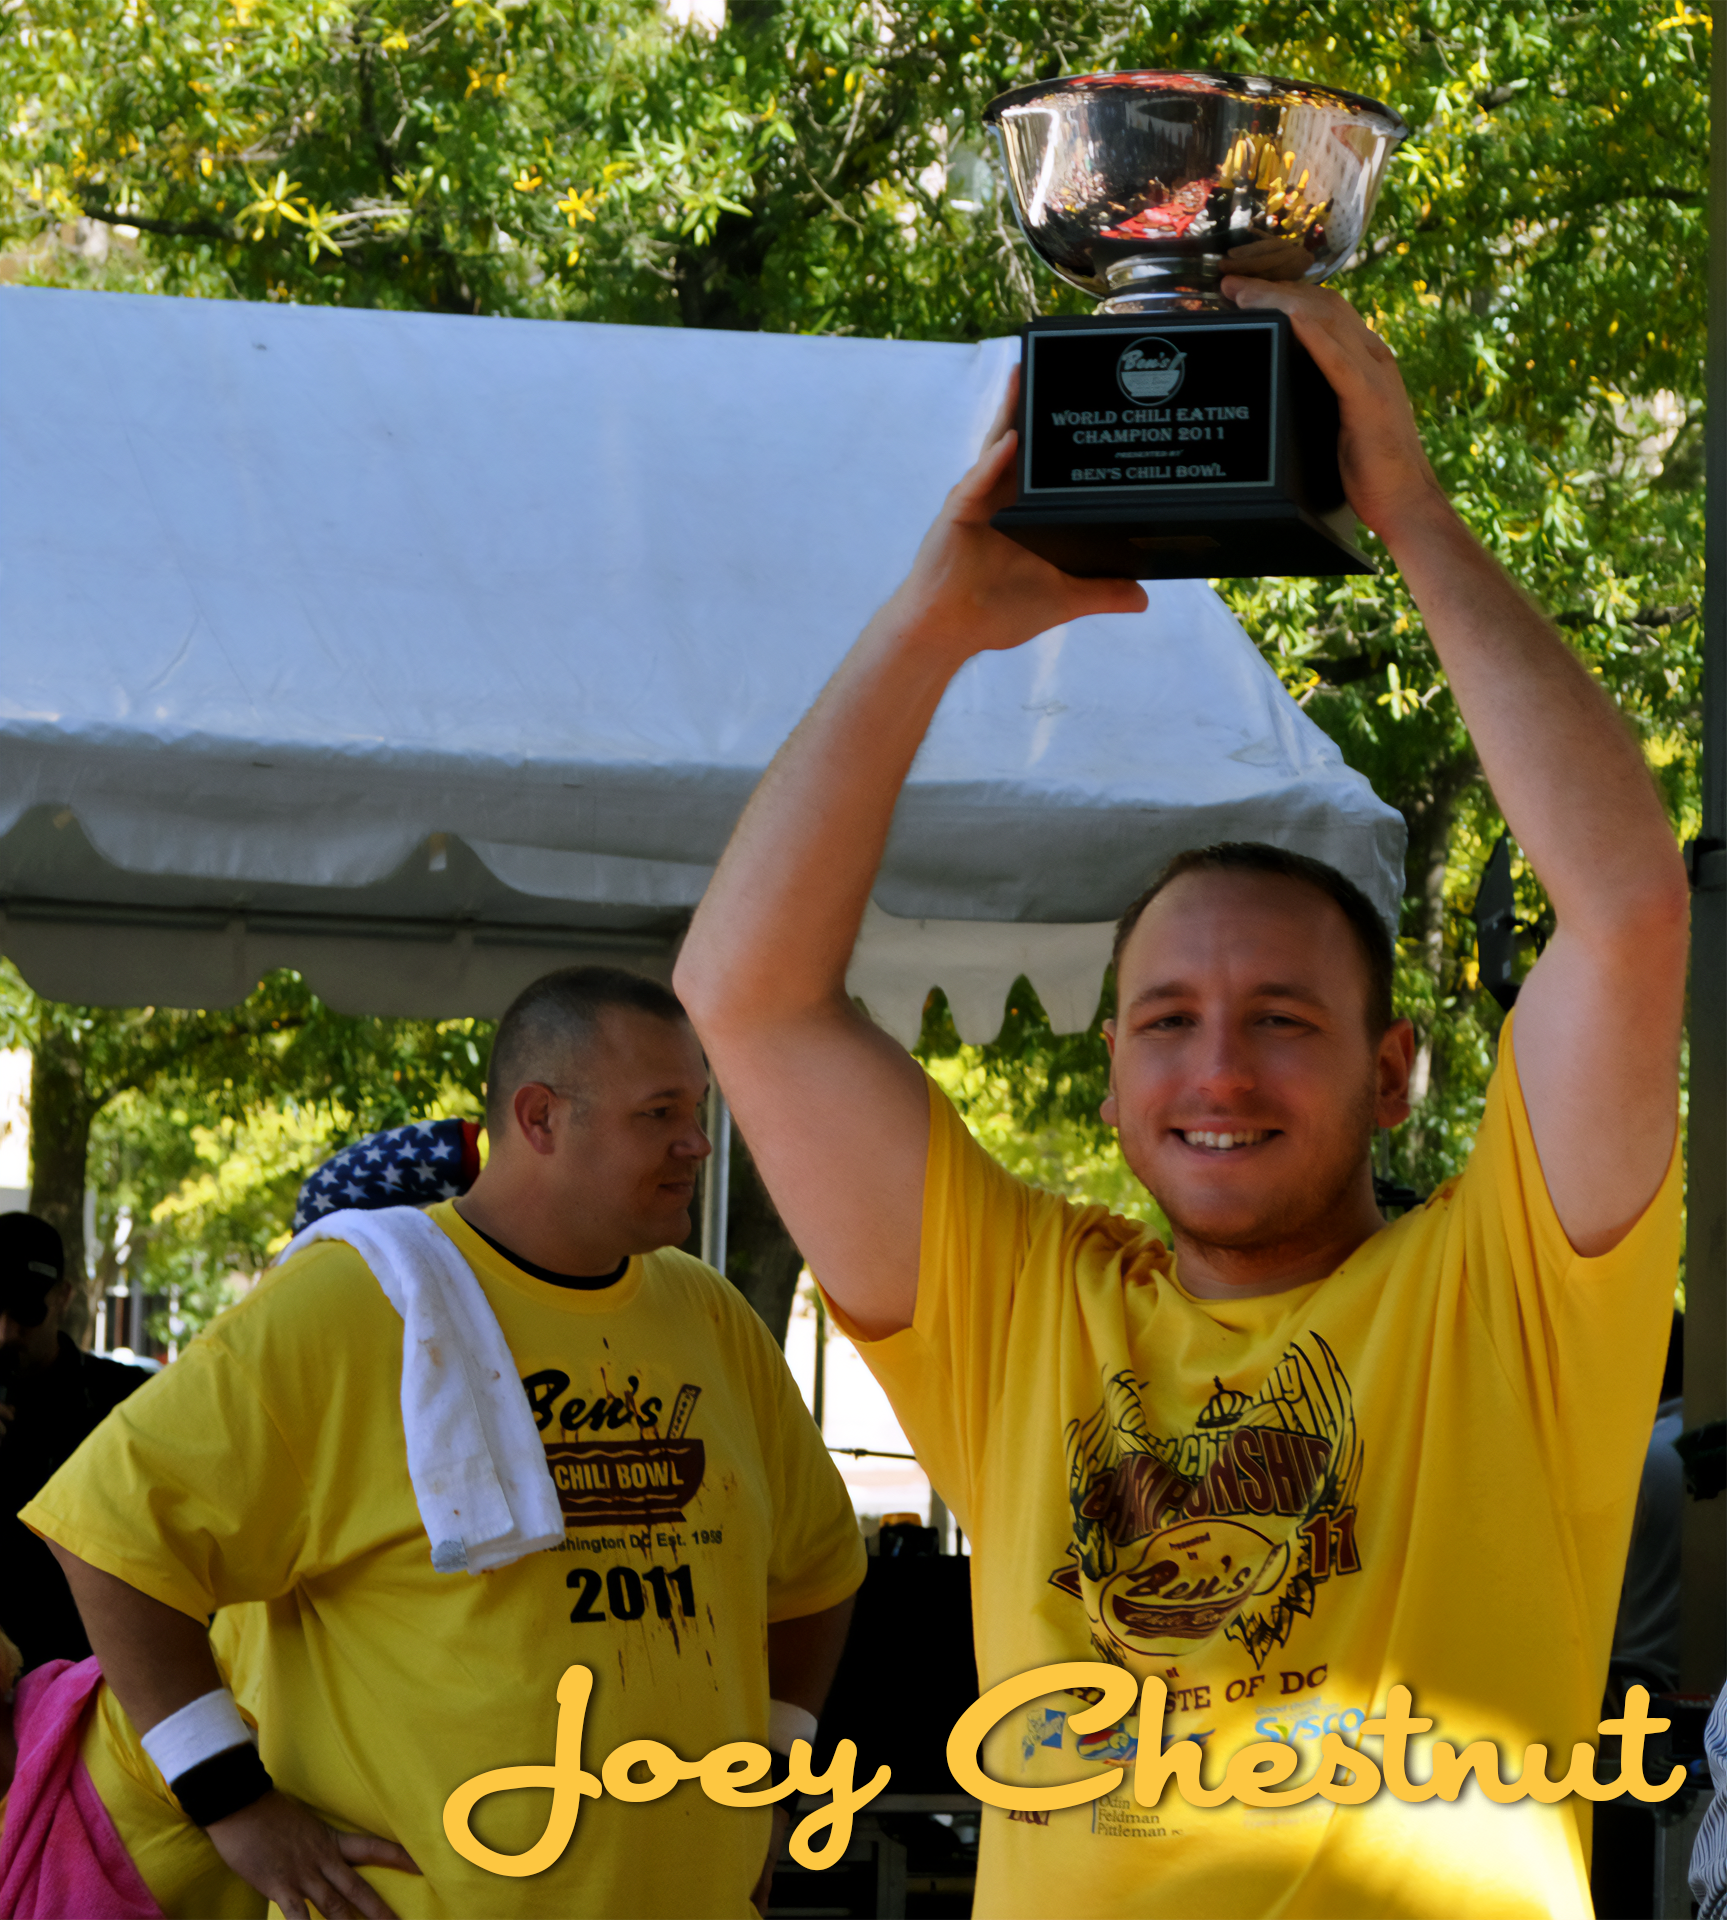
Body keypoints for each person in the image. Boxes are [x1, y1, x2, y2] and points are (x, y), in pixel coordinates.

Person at [673, 278, 1688, 1918]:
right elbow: (746, 995)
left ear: (1389, 1074)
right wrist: (930, 617)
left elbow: (1628, 909)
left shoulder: (1504, 1294)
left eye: (1279, 1020)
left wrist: (1412, 523)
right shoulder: (1025, 1312)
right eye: (1167, 1020)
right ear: (1111, 1067)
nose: (1215, 1070)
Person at [22, 965, 866, 1920]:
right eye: (659, 1111)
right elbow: (112, 1537)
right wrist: (233, 1804)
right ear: (540, 1117)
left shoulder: (710, 1316)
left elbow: (814, 1572)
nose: (697, 1142)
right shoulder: (348, 1303)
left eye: (699, 1106)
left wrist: (773, 1768)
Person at [0, 1213, 152, 1673]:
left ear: (63, 1296)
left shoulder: (124, 1400)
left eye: (27, 1311)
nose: (6, 1332)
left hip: (96, 1673)